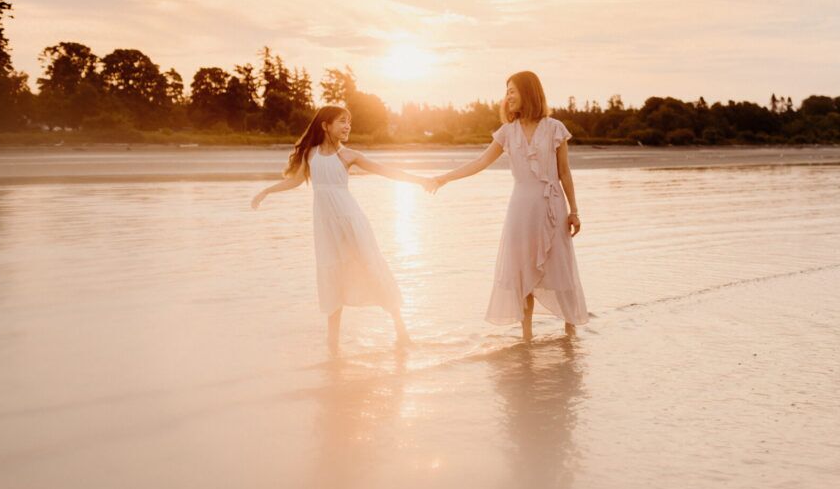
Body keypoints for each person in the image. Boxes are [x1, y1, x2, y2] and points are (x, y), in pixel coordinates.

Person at [251, 105, 436, 355]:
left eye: (349, 121)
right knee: (332, 274)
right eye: (342, 121)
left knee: (373, 267)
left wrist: (420, 180)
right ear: (325, 125)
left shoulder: (348, 156)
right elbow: (295, 180)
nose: (347, 126)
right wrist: (266, 191)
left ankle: (402, 332)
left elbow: (385, 171)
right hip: (326, 226)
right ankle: (333, 343)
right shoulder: (310, 154)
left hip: (351, 221)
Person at [434, 71, 588, 339]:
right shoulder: (507, 132)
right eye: (506, 92)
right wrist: (444, 178)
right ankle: (526, 337)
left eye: (512, 90)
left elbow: (564, 172)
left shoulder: (554, 128)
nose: (508, 96)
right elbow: (480, 162)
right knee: (521, 270)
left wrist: (574, 211)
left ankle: (570, 334)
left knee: (560, 270)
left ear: (529, 92)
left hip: (551, 208)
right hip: (520, 210)